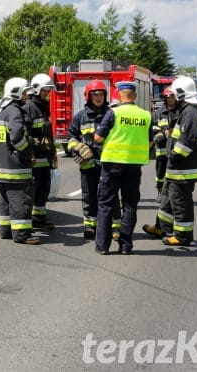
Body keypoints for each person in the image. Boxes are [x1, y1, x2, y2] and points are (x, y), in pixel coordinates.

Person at [93, 82, 153, 254]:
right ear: (134, 96)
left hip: (112, 164)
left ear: (119, 95)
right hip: (134, 166)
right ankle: (126, 245)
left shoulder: (113, 113)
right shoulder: (145, 115)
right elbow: (149, 142)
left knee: (106, 205)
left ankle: (103, 246)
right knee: (130, 205)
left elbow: (98, 137)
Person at [67, 80, 120, 240]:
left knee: (111, 195)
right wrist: (78, 147)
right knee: (89, 196)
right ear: (88, 96)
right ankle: (91, 226)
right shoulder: (80, 117)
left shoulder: (112, 114)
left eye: (101, 94)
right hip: (88, 164)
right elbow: (71, 137)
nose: (98, 97)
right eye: (95, 94)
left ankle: (115, 227)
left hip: (108, 164)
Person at [159, 76, 197, 247]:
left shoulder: (190, 112)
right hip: (178, 168)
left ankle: (183, 236)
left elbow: (187, 141)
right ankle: (164, 228)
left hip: (182, 168)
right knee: (168, 197)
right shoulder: (188, 110)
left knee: (180, 201)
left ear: (180, 93)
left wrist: (173, 156)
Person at [0, 77, 40, 245]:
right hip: (16, 169)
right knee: (21, 200)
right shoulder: (15, 112)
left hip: (2, 168)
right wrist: (27, 151)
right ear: (18, 93)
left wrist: (8, 148)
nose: (28, 96)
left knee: (6, 202)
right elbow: (17, 136)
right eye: (26, 92)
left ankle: (6, 230)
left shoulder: (3, 111)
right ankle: (22, 234)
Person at [141, 87, 177, 239]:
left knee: (171, 183)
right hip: (161, 150)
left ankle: (166, 226)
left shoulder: (180, 112)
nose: (169, 99)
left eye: (172, 97)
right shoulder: (159, 112)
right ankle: (159, 192)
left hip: (175, 152)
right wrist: (162, 131)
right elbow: (153, 127)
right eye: (167, 97)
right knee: (160, 174)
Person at [26, 73, 57, 230]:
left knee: (43, 191)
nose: (48, 93)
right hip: (35, 160)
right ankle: (26, 222)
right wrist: (32, 151)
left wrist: (54, 153)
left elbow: (48, 134)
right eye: (45, 90)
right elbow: (27, 133)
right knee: (33, 191)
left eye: (49, 90)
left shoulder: (43, 108)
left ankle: (39, 220)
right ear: (37, 90)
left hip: (45, 159)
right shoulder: (30, 107)